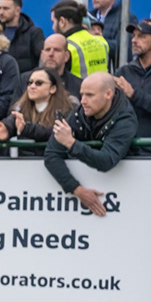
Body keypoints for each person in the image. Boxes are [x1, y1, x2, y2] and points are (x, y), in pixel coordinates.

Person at [42, 71, 135, 217]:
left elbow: (107, 160)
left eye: (90, 95)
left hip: (125, 197)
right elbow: (51, 154)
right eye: (82, 94)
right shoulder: (80, 113)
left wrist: (72, 144)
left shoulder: (125, 119)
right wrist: (77, 190)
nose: (83, 101)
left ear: (108, 94)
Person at [0, 67, 74, 151]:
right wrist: (3, 130)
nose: (32, 86)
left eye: (39, 83)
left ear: (53, 88)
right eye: (30, 83)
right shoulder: (20, 109)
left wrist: (26, 129)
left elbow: (55, 133)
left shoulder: (68, 110)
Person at [52, 0, 108, 78]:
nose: (53, 27)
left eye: (53, 22)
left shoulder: (65, 47)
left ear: (62, 21)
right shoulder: (101, 41)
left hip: (77, 90)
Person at [0, 0, 44, 73]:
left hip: (25, 83)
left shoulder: (33, 33)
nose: (1, 12)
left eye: (5, 8)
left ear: (17, 10)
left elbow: (43, 59)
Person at [37, 32, 83, 99]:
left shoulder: (78, 86)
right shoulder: (26, 81)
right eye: (47, 50)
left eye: (56, 50)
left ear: (66, 56)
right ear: (42, 54)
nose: (51, 54)